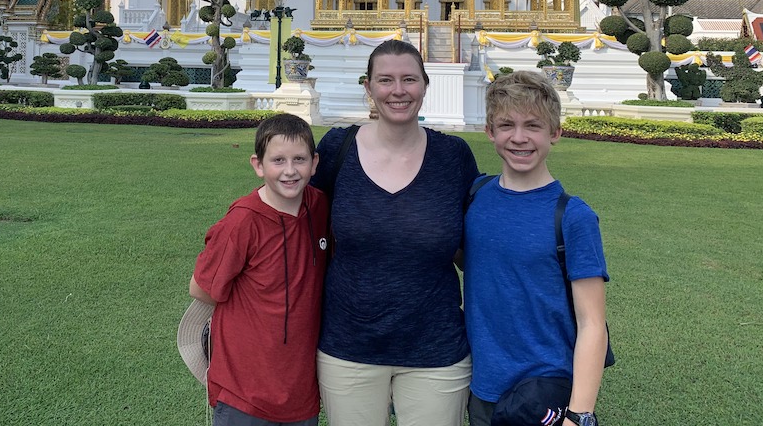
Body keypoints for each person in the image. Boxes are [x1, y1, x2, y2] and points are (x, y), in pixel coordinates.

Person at [311, 39, 479, 426]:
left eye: (409, 80)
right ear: (368, 87)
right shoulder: (338, 148)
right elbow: (298, 222)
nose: (398, 91)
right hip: (348, 345)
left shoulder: (453, 156)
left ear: (425, 85)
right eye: (385, 80)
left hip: (435, 348)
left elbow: (474, 248)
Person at [464, 70, 609, 426]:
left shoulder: (573, 216)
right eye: (506, 125)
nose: (519, 138)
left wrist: (580, 414)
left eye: (533, 125)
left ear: (555, 133)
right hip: (482, 386)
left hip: (545, 392)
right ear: (489, 132)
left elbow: (593, 323)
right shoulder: (475, 198)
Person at [188, 113, 329, 426]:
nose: (290, 170)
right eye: (278, 160)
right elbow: (201, 287)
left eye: (299, 159)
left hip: (300, 393)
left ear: (314, 163)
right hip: (244, 393)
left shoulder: (320, 207)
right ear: (258, 165)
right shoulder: (242, 222)